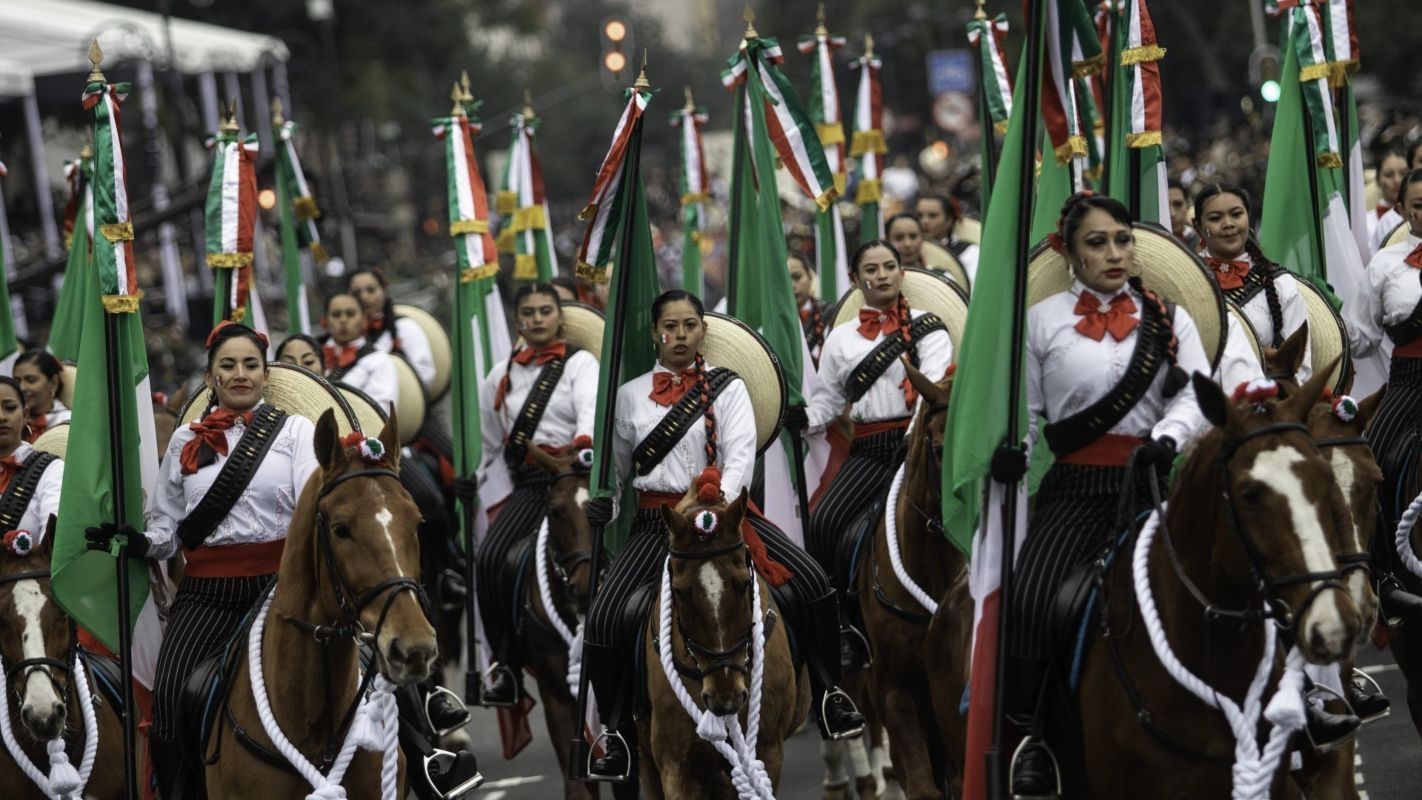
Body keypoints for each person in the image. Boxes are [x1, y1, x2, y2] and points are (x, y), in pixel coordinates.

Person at [580, 290, 864, 780]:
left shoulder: (727, 388)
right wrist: (604, 496)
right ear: (655, 333)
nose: (680, 335)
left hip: (725, 520)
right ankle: (615, 732)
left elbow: (738, 458)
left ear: (703, 331)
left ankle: (828, 694)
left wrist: (716, 507)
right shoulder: (628, 396)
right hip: (658, 525)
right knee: (605, 617)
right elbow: (621, 471)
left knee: (814, 582)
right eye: (670, 326)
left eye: (690, 325)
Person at [995, 193, 1212, 797]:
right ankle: (1031, 738)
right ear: (1069, 252)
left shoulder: (1169, 318)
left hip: (1151, 482)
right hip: (1074, 490)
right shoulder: (1040, 322)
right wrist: (1011, 454)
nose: (1115, 252)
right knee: (1032, 598)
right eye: (1098, 242)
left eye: (1122, 239)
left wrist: (1168, 437)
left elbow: (1198, 392)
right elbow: (1028, 414)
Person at [87, 322, 320, 797]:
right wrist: (135, 543)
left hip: (282, 588)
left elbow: (315, 507)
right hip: (207, 594)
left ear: (265, 374)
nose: (240, 374)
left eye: (250, 365)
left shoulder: (296, 431)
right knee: (170, 699)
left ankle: (425, 752)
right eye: (228, 366)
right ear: (211, 376)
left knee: (369, 669)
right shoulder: (185, 441)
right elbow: (168, 530)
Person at [794, 240, 953, 671]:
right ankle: (845, 626)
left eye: (889, 266)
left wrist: (915, 438)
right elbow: (828, 402)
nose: (882, 275)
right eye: (872, 268)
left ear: (902, 272)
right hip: (867, 449)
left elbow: (935, 390)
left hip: (919, 447)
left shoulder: (930, 327)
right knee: (823, 524)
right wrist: (799, 417)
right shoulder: (841, 338)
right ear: (855, 279)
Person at [471, 283, 598, 706]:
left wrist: (581, 445)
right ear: (517, 320)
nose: (539, 318)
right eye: (530, 311)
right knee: (489, 558)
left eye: (547, 310)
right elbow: (492, 444)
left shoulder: (581, 364)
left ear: (560, 317)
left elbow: (590, 411)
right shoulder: (498, 377)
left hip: (579, 476)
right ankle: (504, 665)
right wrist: (475, 476)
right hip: (529, 485)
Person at [1345, 167, 1422, 624]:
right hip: (1411, 381)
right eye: (1419, 205)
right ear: (1400, 210)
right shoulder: (1386, 264)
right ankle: (1383, 577)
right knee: (1372, 466)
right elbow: (1361, 337)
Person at [1194, 182, 1311, 380]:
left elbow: (1301, 366)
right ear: (1198, 227)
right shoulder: (1185, 281)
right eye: (1215, 218)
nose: (1228, 223)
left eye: (1236, 214)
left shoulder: (1281, 283)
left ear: (1248, 217)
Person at [347, 268, 438, 390]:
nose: (364, 297)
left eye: (371, 290)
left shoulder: (405, 327)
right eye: (356, 293)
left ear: (384, 290)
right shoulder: (342, 335)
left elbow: (426, 374)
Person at [0, 376, 64, 545]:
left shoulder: (51, 470)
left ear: (26, 414)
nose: (1, 417)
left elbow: (54, 540)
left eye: (10, 407)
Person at [323, 293, 399, 414]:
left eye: (350, 314)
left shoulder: (378, 360)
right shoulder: (313, 354)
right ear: (326, 320)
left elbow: (380, 411)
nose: (343, 320)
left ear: (364, 319)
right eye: (336, 314)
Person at [916, 193, 981, 282]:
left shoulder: (969, 252)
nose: (924, 221)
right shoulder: (908, 251)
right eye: (919, 216)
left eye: (933, 215)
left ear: (949, 220)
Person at [13, 351, 70, 442]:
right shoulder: (7, 419)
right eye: (17, 381)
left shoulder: (68, 422)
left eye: (31, 380)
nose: (22, 387)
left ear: (54, 382)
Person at [790, 251, 829, 365]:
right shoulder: (770, 324)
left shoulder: (830, 313)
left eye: (797, 277)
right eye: (785, 280)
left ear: (810, 277)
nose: (792, 285)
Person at [1369, 150, 1409, 255]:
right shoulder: (1365, 222)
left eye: (1403, 173)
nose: (1397, 180)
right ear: (1378, 179)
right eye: (1389, 175)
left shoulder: (1417, 216)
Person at [1166, 178, 1201, 252]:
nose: (1172, 214)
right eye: (1164, 207)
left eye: (1178, 205)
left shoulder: (1203, 243)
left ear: (1188, 204)